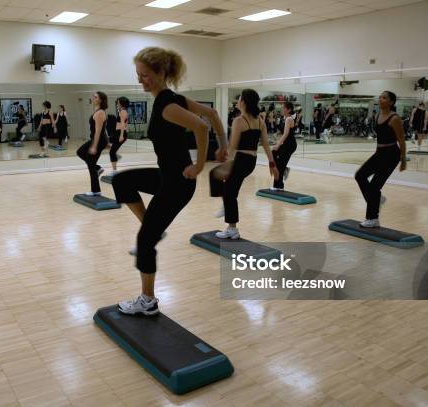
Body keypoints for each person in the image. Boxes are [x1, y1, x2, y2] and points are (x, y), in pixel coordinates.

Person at [112, 47, 228, 316]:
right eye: (138, 75)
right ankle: (152, 226)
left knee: (144, 243)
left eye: (145, 75)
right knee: (122, 181)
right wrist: (222, 146)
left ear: (161, 72)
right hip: (166, 175)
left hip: (178, 183)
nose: (141, 80)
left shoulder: (168, 105)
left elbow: (201, 126)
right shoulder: (170, 99)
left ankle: (148, 301)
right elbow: (212, 115)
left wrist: (200, 164)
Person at [211, 89, 278, 239]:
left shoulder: (239, 121)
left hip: (240, 160)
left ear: (244, 102)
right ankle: (226, 207)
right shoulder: (260, 120)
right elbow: (266, 145)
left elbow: (232, 147)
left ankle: (232, 227)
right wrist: (272, 164)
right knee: (227, 188)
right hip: (250, 163)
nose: (237, 101)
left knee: (224, 187)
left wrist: (227, 165)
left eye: (239, 98)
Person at [354, 91, 406, 228]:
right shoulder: (377, 115)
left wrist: (403, 159)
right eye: (380, 97)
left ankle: (372, 218)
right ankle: (377, 201)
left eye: (384, 98)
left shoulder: (395, 118)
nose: (380, 99)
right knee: (360, 175)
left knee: (374, 186)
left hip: (391, 155)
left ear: (391, 102)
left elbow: (402, 140)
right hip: (379, 152)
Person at [76, 92, 108, 195]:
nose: (93, 98)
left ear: (100, 100)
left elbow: (99, 131)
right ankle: (97, 168)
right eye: (93, 96)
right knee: (80, 152)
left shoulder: (100, 113)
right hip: (96, 139)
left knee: (90, 163)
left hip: (98, 140)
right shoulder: (97, 111)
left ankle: (96, 190)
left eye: (95, 97)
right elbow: (103, 129)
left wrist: (94, 146)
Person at [271, 101, 297, 190]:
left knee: (280, 164)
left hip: (290, 144)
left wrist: (278, 145)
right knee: (273, 153)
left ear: (289, 109)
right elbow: (282, 131)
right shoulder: (284, 118)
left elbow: (286, 134)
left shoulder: (289, 119)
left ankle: (278, 185)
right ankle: (284, 169)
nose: (281, 109)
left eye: (283, 108)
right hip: (286, 143)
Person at [109, 97, 129, 174]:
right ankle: (117, 156)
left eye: (118, 103)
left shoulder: (123, 112)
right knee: (104, 142)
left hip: (120, 133)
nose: (117, 104)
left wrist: (121, 136)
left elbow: (123, 124)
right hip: (117, 133)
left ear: (121, 103)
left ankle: (114, 171)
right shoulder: (122, 111)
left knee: (112, 152)